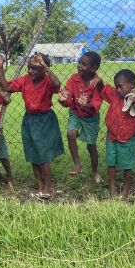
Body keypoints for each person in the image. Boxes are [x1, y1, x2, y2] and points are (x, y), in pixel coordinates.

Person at [0, 53, 64, 200]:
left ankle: (48, 187)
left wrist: (45, 67)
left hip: (44, 120)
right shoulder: (25, 80)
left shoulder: (47, 81)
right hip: (29, 120)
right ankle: (40, 186)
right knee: (33, 154)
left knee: (43, 155)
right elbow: (6, 86)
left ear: (44, 69)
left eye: (36, 68)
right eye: (29, 68)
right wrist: (0, 69)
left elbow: (57, 84)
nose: (31, 71)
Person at [100, 69, 135, 200]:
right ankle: (113, 188)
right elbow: (103, 88)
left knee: (127, 165)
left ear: (131, 84)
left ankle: (126, 190)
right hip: (112, 135)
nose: (118, 89)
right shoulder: (114, 94)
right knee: (111, 162)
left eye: (121, 86)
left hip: (128, 137)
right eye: (116, 86)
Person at [58, 51, 103, 182]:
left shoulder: (97, 83)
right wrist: (63, 99)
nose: (79, 66)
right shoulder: (74, 79)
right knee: (71, 133)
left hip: (91, 117)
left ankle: (95, 172)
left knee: (91, 146)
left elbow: (97, 103)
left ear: (93, 68)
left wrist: (88, 104)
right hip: (76, 112)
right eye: (79, 62)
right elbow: (68, 99)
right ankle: (77, 164)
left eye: (84, 64)